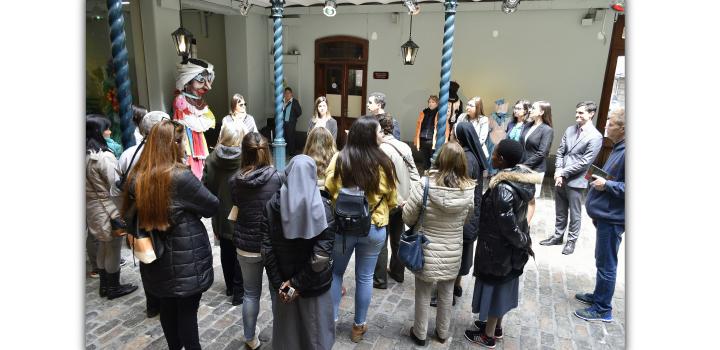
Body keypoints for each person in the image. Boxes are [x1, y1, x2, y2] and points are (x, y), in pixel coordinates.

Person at [122, 119, 218, 350]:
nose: (185, 147)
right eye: (182, 142)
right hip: (185, 259)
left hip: (155, 257)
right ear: (173, 144)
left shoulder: (137, 176)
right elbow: (212, 206)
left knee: (167, 307)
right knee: (187, 313)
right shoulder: (179, 177)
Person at [325, 116, 398, 343]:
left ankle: (331, 322)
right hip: (374, 226)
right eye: (378, 132)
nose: (381, 136)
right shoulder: (384, 162)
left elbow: (329, 188)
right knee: (365, 277)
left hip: (343, 228)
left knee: (335, 273)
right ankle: (358, 327)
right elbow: (393, 199)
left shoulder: (339, 158)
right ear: (368, 136)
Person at [464, 139, 542, 348]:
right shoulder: (520, 180)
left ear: (503, 160)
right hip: (508, 251)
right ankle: (496, 327)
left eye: (495, 153)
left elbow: (508, 227)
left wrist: (523, 241)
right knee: (503, 287)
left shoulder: (503, 189)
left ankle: (488, 335)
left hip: (497, 251)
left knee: (495, 288)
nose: (492, 156)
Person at [403, 142, 475, 346]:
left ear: (440, 158)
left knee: (423, 291)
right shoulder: (468, 190)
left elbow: (408, 217)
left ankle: (419, 333)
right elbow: (467, 219)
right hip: (452, 249)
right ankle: (442, 332)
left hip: (426, 248)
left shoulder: (425, 184)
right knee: (446, 292)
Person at [262, 155, 337, 350]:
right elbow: (320, 257)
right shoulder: (324, 209)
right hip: (313, 287)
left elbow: (266, 250)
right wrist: (295, 285)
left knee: (288, 337)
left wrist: (284, 286)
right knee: (315, 337)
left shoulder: (272, 205)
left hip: (284, 287)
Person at [229, 132, 283, 350]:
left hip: (245, 244)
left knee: (250, 293)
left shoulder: (235, 180)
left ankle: (250, 338)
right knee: (275, 292)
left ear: (244, 152)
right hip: (272, 246)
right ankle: (281, 335)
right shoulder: (277, 178)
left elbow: (237, 205)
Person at [113, 110, 166, 318]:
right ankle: (163, 303)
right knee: (161, 258)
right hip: (159, 216)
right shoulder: (164, 153)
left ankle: (153, 304)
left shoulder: (128, 154)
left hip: (139, 218)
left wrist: (127, 214)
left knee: (147, 260)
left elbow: (116, 191)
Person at [573, 108, 625, 322]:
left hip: (613, 217)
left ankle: (603, 308)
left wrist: (608, 184)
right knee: (601, 259)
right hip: (605, 214)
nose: (606, 126)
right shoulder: (619, 147)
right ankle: (599, 295)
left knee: (606, 263)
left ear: (623, 128)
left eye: (611, 123)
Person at [539, 101, 603, 255]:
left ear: (591, 114)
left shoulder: (596, 136)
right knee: (560, 209)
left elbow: (584, 162)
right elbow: (560, 152)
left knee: (575, 213)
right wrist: (558, 171)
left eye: (581, 113)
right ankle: (557, 236)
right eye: (576, 112)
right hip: (561, 177)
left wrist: (562, 172)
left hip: (577, 180)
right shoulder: (569, 130)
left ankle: (571, 242)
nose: (577, 115)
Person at [86, 115, 138, 301]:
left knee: (102, 245)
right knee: (113, 248)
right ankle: (114, 287)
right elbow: (116, 185)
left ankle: (104, 286)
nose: (109, 131)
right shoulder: (103, 156)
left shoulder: (85, 154)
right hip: (109, 208)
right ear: (98, 132)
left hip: (92, 208)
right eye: (106, 128)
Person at [374, 114, 420, 289]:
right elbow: (415, 174)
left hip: (387, 202)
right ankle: (398, 272)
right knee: (398, 237)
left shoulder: (380, 150)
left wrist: (398, 199)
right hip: (404, 202)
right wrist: (409, 198)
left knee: (381, 240)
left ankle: (379, 279)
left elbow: (384, 181)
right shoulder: (404, 147)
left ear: (381, 130)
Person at [202, 124, 246, 306]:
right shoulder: (246, 158)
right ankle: (238, 291)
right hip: (241, 212)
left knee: (226, 249)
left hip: (220, 213)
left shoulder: (211, 159)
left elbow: (205, 187)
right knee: (240, 253)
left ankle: (229, 286)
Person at [450, 122, 486, 305]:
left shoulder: (466, 158)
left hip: (464, 213)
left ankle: (449, 291)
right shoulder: (473, 156)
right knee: (464, 250)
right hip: (472, 212)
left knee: (458, 251)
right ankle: (457, 284)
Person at [172, 58, 217, 179]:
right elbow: (190, 122)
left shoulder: (198, 100)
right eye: (201, 81)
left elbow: (210, 119)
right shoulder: (180, 100)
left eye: (208, 81)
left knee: (200, 168)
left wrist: (201, 120)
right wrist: (201, 120)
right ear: (187, 81)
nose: (208, 87)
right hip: (187, 141)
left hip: (198, 139)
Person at [520, 101, 554, 224]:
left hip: (535, 168)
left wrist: (524, 165)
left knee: (530, 198)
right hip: (521, 166)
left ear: (542, 112)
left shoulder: (547, 130)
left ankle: (526, 226)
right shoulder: (527, 125)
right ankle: (518, 220)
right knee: (519, 194)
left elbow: (542, 153)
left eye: (533, 108)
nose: (530, 110)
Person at [413, 95, 449, 172]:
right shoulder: (424, 113)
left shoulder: (440, 113)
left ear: (437, 103)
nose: (430, 104)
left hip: (433, 141)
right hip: (423, 140)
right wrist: (417, 139)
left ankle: (432, 176)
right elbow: (418, 127)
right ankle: (426, 175)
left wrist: (445, 141)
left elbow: (446, 128)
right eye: (429, 102)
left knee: (434, 161)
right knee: (425, 161)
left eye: (433, 102)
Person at [455, 96, 490, 171]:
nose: (468, 107)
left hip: (476, 151)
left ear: (478, 107)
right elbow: (456, 130)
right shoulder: (462, 116)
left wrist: (468, 148)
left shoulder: (483, 120)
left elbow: (481, 139)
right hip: (461, 150)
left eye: (471, 105)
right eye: (467, 104)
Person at [282, 87, 302, 156]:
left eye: (289, 93)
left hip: (291, 123)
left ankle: (291, 153)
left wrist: (293, 118)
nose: (287, 95)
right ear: (284, 94)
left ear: (291, 94)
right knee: (283, 137)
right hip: (282, 123)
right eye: (286, 93)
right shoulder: (282, 101)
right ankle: (283, 152)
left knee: (291, 137)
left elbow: (299, 112)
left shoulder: (294, 102)